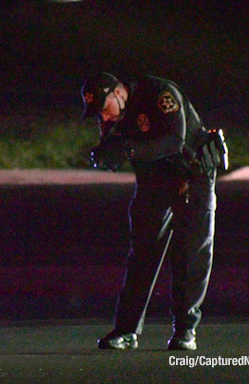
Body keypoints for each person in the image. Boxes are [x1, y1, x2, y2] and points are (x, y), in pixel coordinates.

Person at [81, 72, 228, 350]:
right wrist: (104, 154)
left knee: (191, 255)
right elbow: (114, 148)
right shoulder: (114, 117)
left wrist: (129, 150)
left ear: (118, 94)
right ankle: (126, 331)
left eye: (104, 110)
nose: (105, 118)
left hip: (191, 176)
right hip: (154, 180)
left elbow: (174, 140)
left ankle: (185, 331)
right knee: (143, 253)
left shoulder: (160, 93)